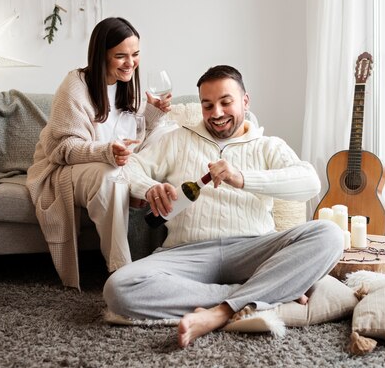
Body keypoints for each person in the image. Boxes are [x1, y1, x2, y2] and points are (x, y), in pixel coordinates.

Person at [103, 65, 343, 347]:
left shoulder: (268, 146)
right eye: (208, 105)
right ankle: (255, 293)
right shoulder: (177, 140)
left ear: (245, 101)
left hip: (254, 251)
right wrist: (150, 187)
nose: (216, 113)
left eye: (226, 102)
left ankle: (220, 312)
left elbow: (309, 182)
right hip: (187, 254)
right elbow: (129, 166)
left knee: (330, 234)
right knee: (118, 289)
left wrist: (241, 179)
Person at [26, 17, 172, 290]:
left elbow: (140, 132)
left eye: (135, 54)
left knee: (170, 135)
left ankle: (177, 252)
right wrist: (106, 152)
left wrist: (155, 112)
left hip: (119, 162)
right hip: (69, 168)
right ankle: (122, 272)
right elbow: (61, 149)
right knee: (111, 174)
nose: (131, 63)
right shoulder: (76, 86)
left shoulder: (131, 83)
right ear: (101, 55)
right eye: (120, 56)